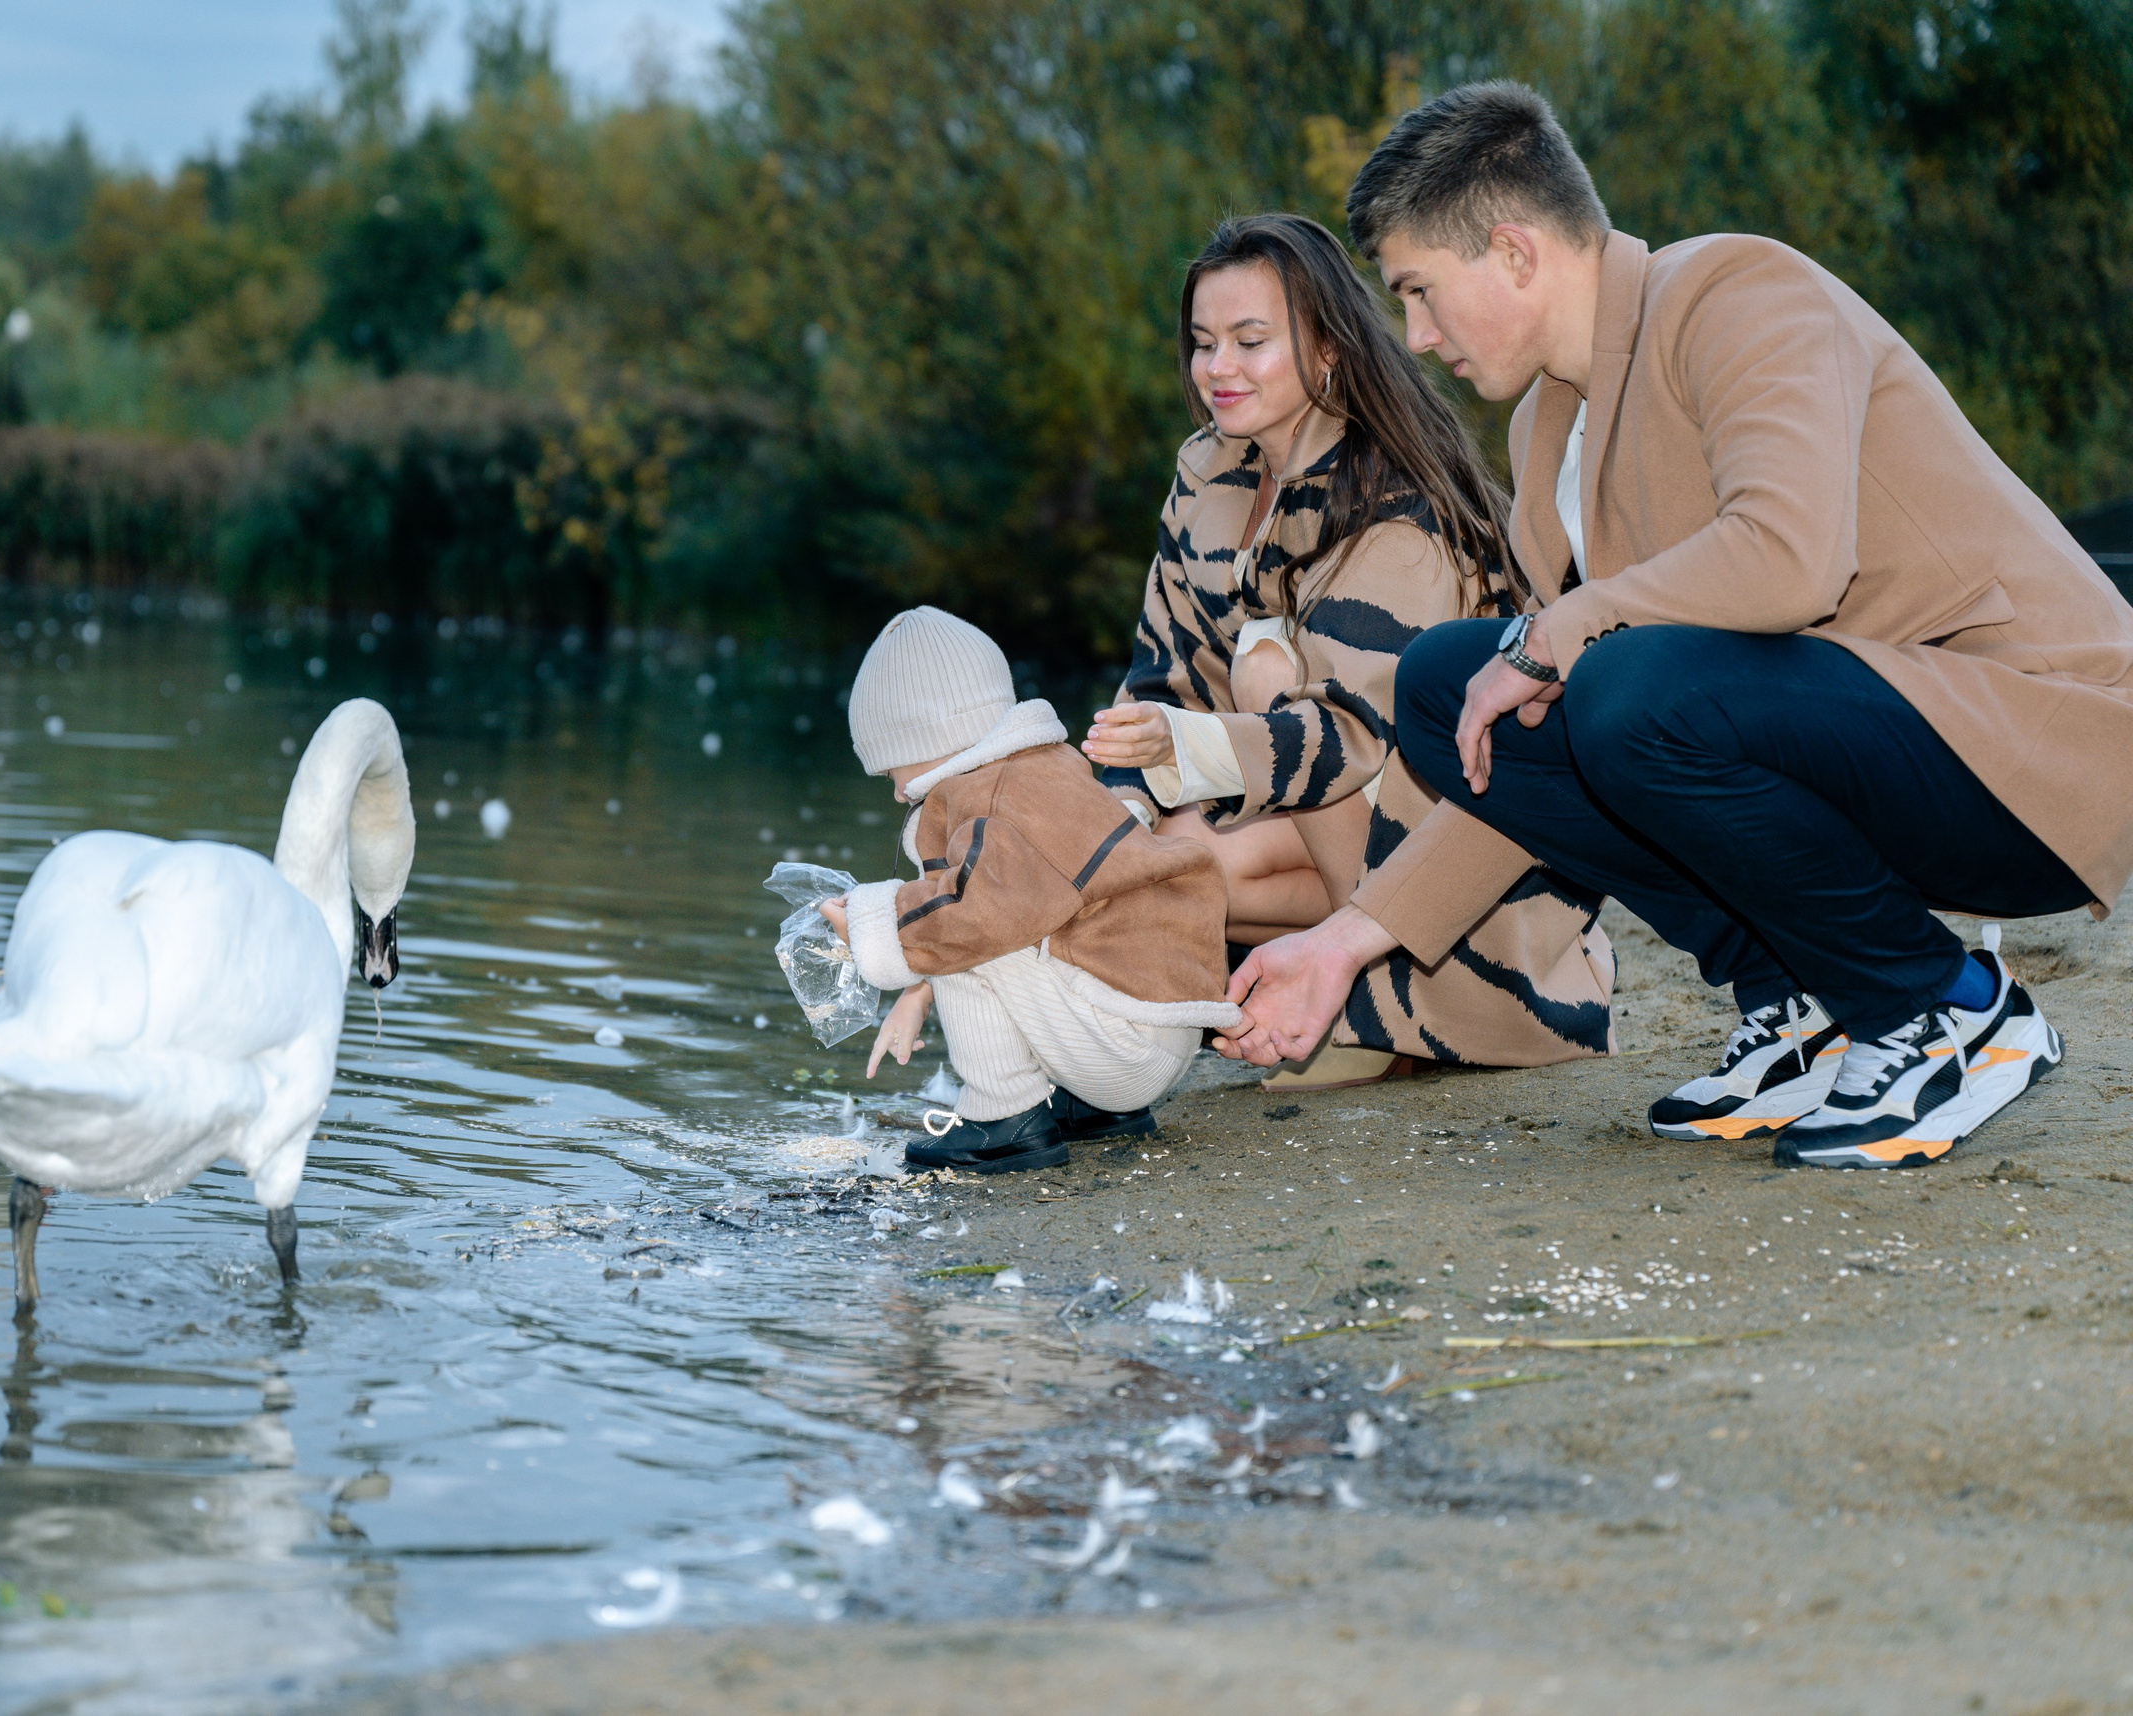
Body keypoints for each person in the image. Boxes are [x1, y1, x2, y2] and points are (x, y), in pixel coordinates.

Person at [1224, 81, 2132, 1170]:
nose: (1414, 338)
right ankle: (1800, 1000)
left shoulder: (1737, 292)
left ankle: (1941, 1007)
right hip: (1857, 757)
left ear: (1513, 253)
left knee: (1617, 684)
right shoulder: (1544, 440)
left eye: (1418, 291)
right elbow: (1522, 763)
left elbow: (1791, 558)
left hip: (2033, 745)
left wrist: (1561, 633)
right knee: (1448, 684)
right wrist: (1344, 943)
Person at [1080, 212, 1615, 1089]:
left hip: (1467, 889)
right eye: (1204, 342)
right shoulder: (1208, 474)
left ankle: (1387, 1008)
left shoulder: (1397, 506)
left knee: (1261, 685)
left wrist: (1186, 760)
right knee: (1152, 854)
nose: (1218, 368)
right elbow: (1160, 679)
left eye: (1251, 341)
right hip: (1308, 830)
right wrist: (1122, 816)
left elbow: (1348, 741)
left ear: (1327, 348)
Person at [815, 607, 1241, 1175]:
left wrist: (873, 924)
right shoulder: (1039, 770)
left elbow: (977, 920)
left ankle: (1003, 1116)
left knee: (966, 921)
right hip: (1149, 1024)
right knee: (970, 920)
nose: (896, 793)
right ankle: (1086, 1108)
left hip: (1126, 1046)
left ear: (928, 737)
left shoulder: (992, 800)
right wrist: (917, 994)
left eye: (891, 769)